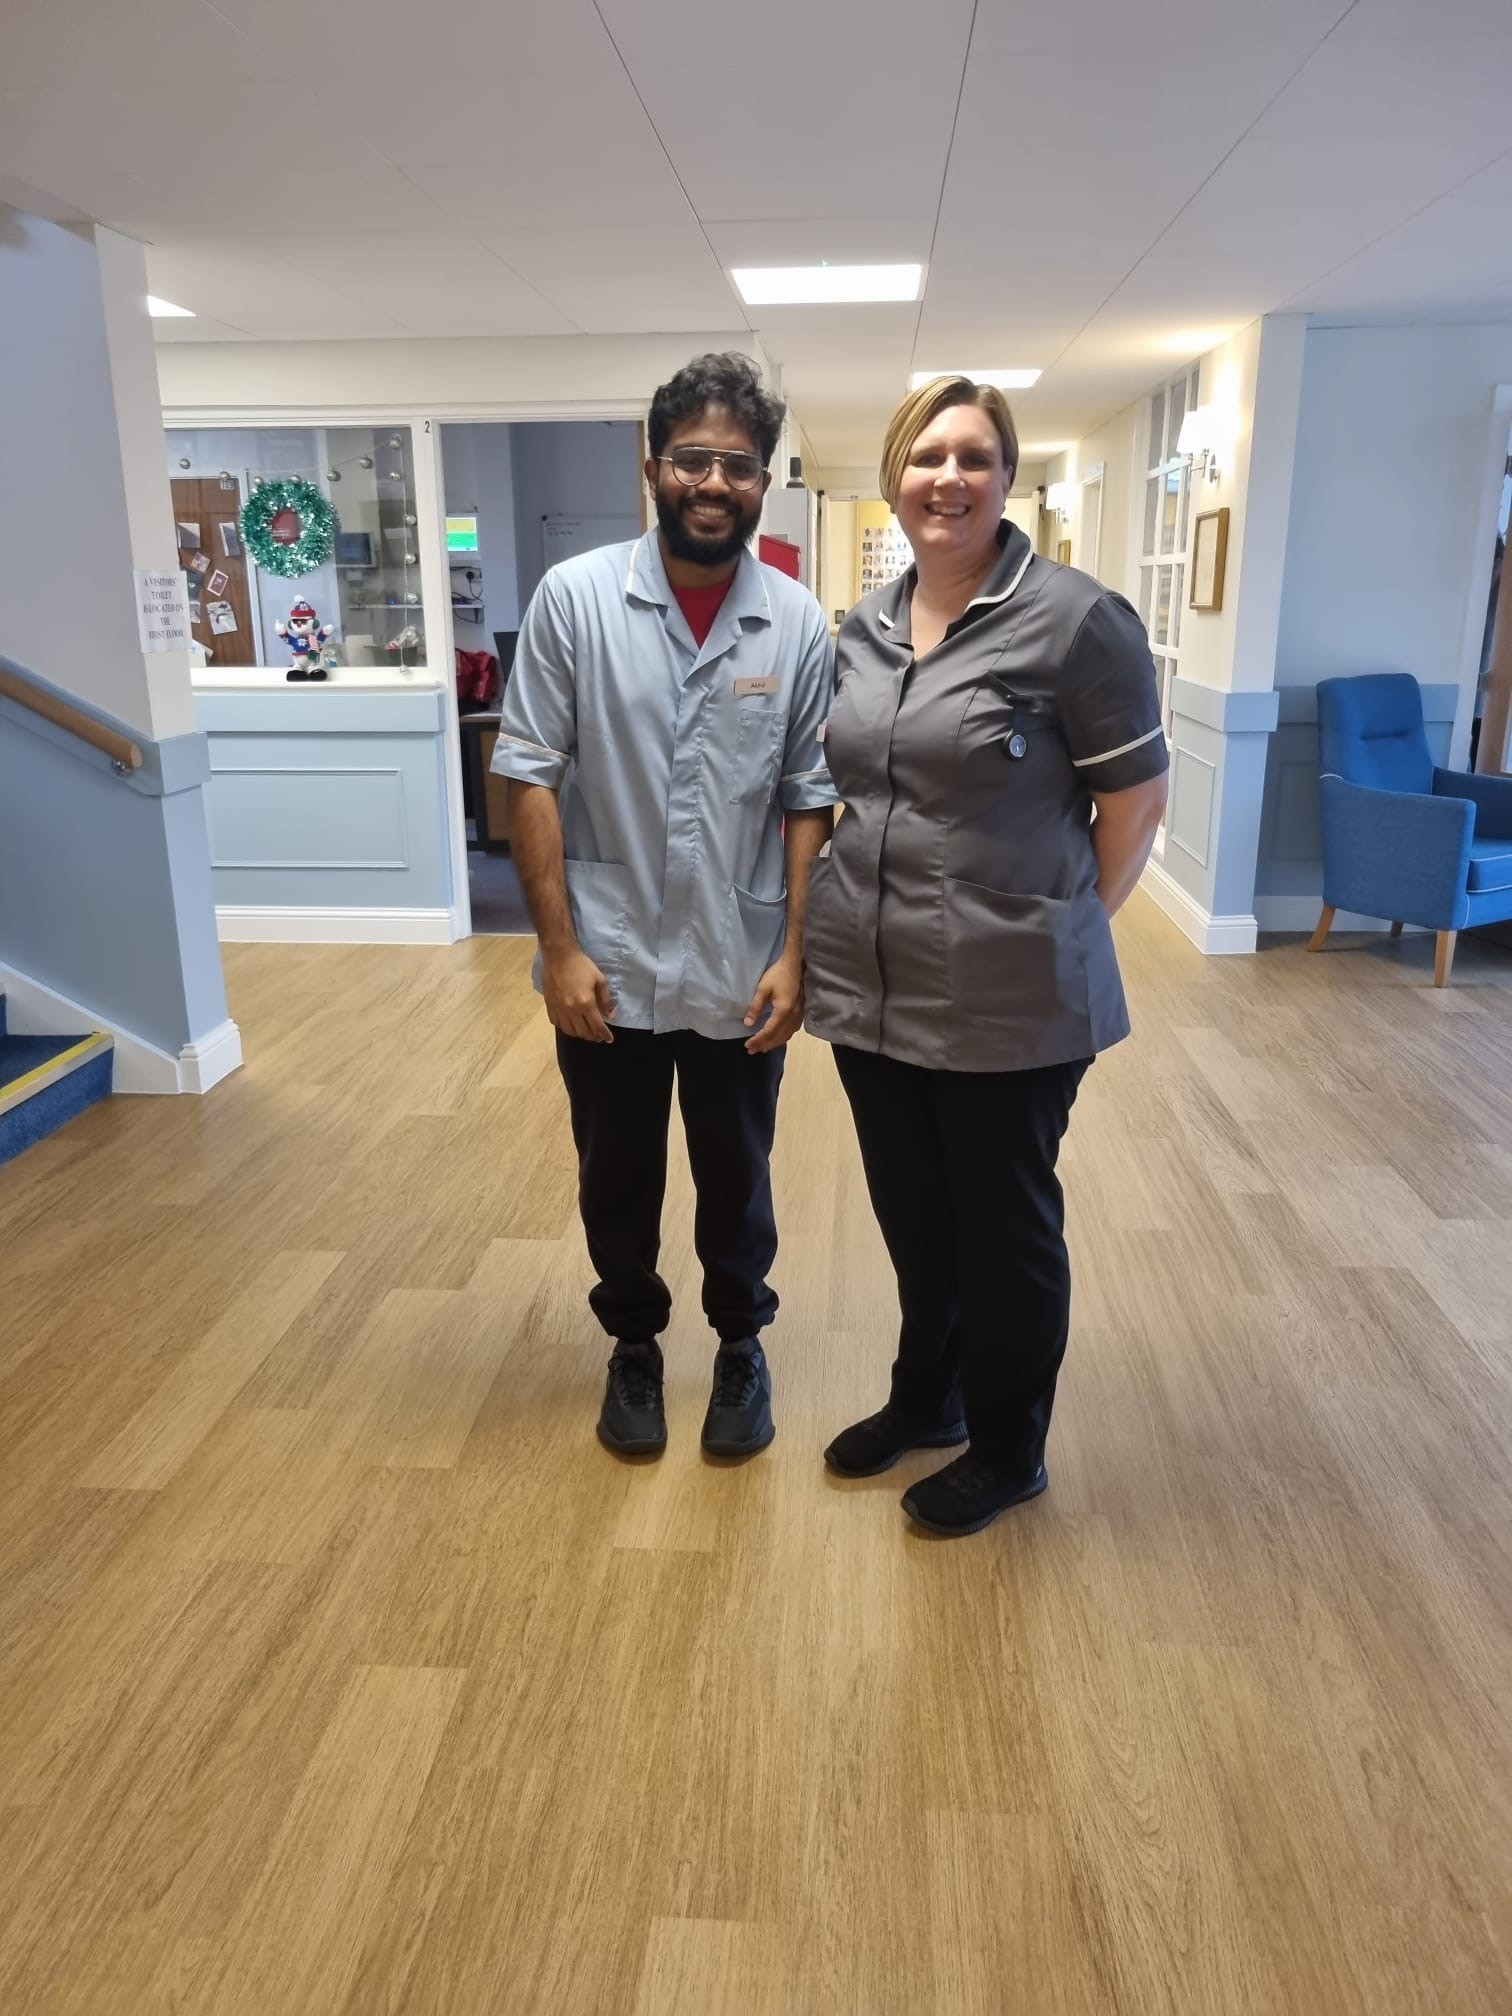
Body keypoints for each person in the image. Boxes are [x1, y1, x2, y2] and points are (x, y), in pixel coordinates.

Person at [803, 376, 1168, 1537]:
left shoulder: (1075, 619)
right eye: (926, 457)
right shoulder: (855, 629)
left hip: (1012, 997)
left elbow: (1136, 802)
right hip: (872, 984)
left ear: (1008, 478)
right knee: (917, 1217)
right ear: (893, 479)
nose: (947, 479)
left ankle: (1011, 1448)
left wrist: (1067, 921)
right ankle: (931, 1400)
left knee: (1003, 1229)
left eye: (973, 457)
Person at [493, 353, 837, 1461]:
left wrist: (797, 951)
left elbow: (806, 801)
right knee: (618, 1171)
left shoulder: (795, 625)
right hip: (607, 957)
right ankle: (633, 1346)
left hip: (740, 962)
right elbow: (531, 775)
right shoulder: (577, 601)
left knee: (740, 1173)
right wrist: (556, 951)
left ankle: (741, 1345)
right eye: (692, 457)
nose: (713, 481)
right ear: (652, 467)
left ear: (763, 484)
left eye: (738, 465)